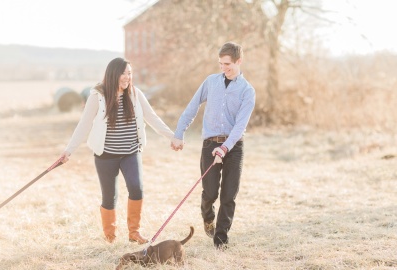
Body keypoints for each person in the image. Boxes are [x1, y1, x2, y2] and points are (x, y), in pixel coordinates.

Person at [60, 57, 178, 244]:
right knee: (109, 197)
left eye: (130, 73)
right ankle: (110, 236)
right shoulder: (97, 96)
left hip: (130, 152)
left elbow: (152, 117)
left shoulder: (135, 94)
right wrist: (69, 151)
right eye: (123, 73)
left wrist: (173, 137)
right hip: (105, 156)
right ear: (113, 74)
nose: (127, 77)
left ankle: (134, 232)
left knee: (136, 189)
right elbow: (84, 125)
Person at [171, 42, 256, 249]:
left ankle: (221, 239)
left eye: (227, 64)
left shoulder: (247, 91)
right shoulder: (210, 82)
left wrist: (225, 148)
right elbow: (192, 108)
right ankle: (207, 216)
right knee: (210, 193)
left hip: (234, 148)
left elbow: (240, 126)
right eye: (220, 64)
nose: (224, 68)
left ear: (239, 61)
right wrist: (178, 133)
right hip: (210, 145)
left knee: (229, 194)